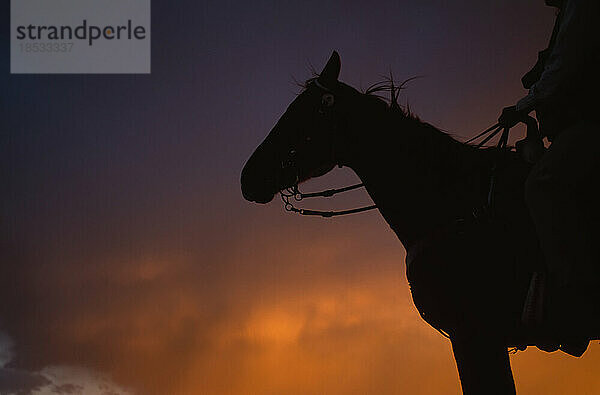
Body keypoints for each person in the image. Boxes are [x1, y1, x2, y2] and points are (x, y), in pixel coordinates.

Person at [498, 0, 600, 346]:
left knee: (542, 186)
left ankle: (574, 299)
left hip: (590, 126)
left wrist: (520, 107)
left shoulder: (583, 7)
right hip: (576, 126)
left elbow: (562, 68)